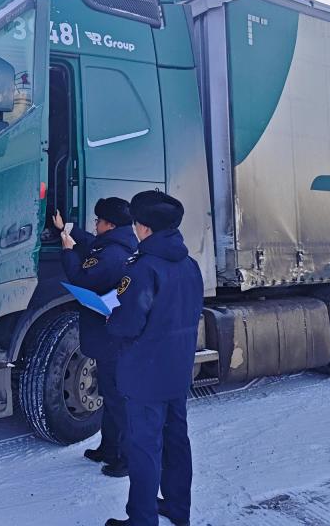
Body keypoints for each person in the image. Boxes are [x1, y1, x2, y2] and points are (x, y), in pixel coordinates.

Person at [104, 190, 203, 526]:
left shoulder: (143, 269)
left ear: (143, 228)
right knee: (176, 440)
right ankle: (178, 508)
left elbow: (127, 323)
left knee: (144, 447)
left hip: (144, 375)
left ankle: (142, 519)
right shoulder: (189, 264)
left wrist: (109, 315)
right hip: (177, 371)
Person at [56, 198, 137, 477]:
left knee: (117, 399)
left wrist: (68, 251)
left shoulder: (112, 254)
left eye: (98, 221)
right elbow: (91, 242)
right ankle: (109, 448)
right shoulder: (113, 243)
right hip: (108, 335)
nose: (95, 225)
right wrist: (67, 228)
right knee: (110, 396)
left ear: (110, 225)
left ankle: (126, 458)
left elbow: (82, 279)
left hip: (110, 335)